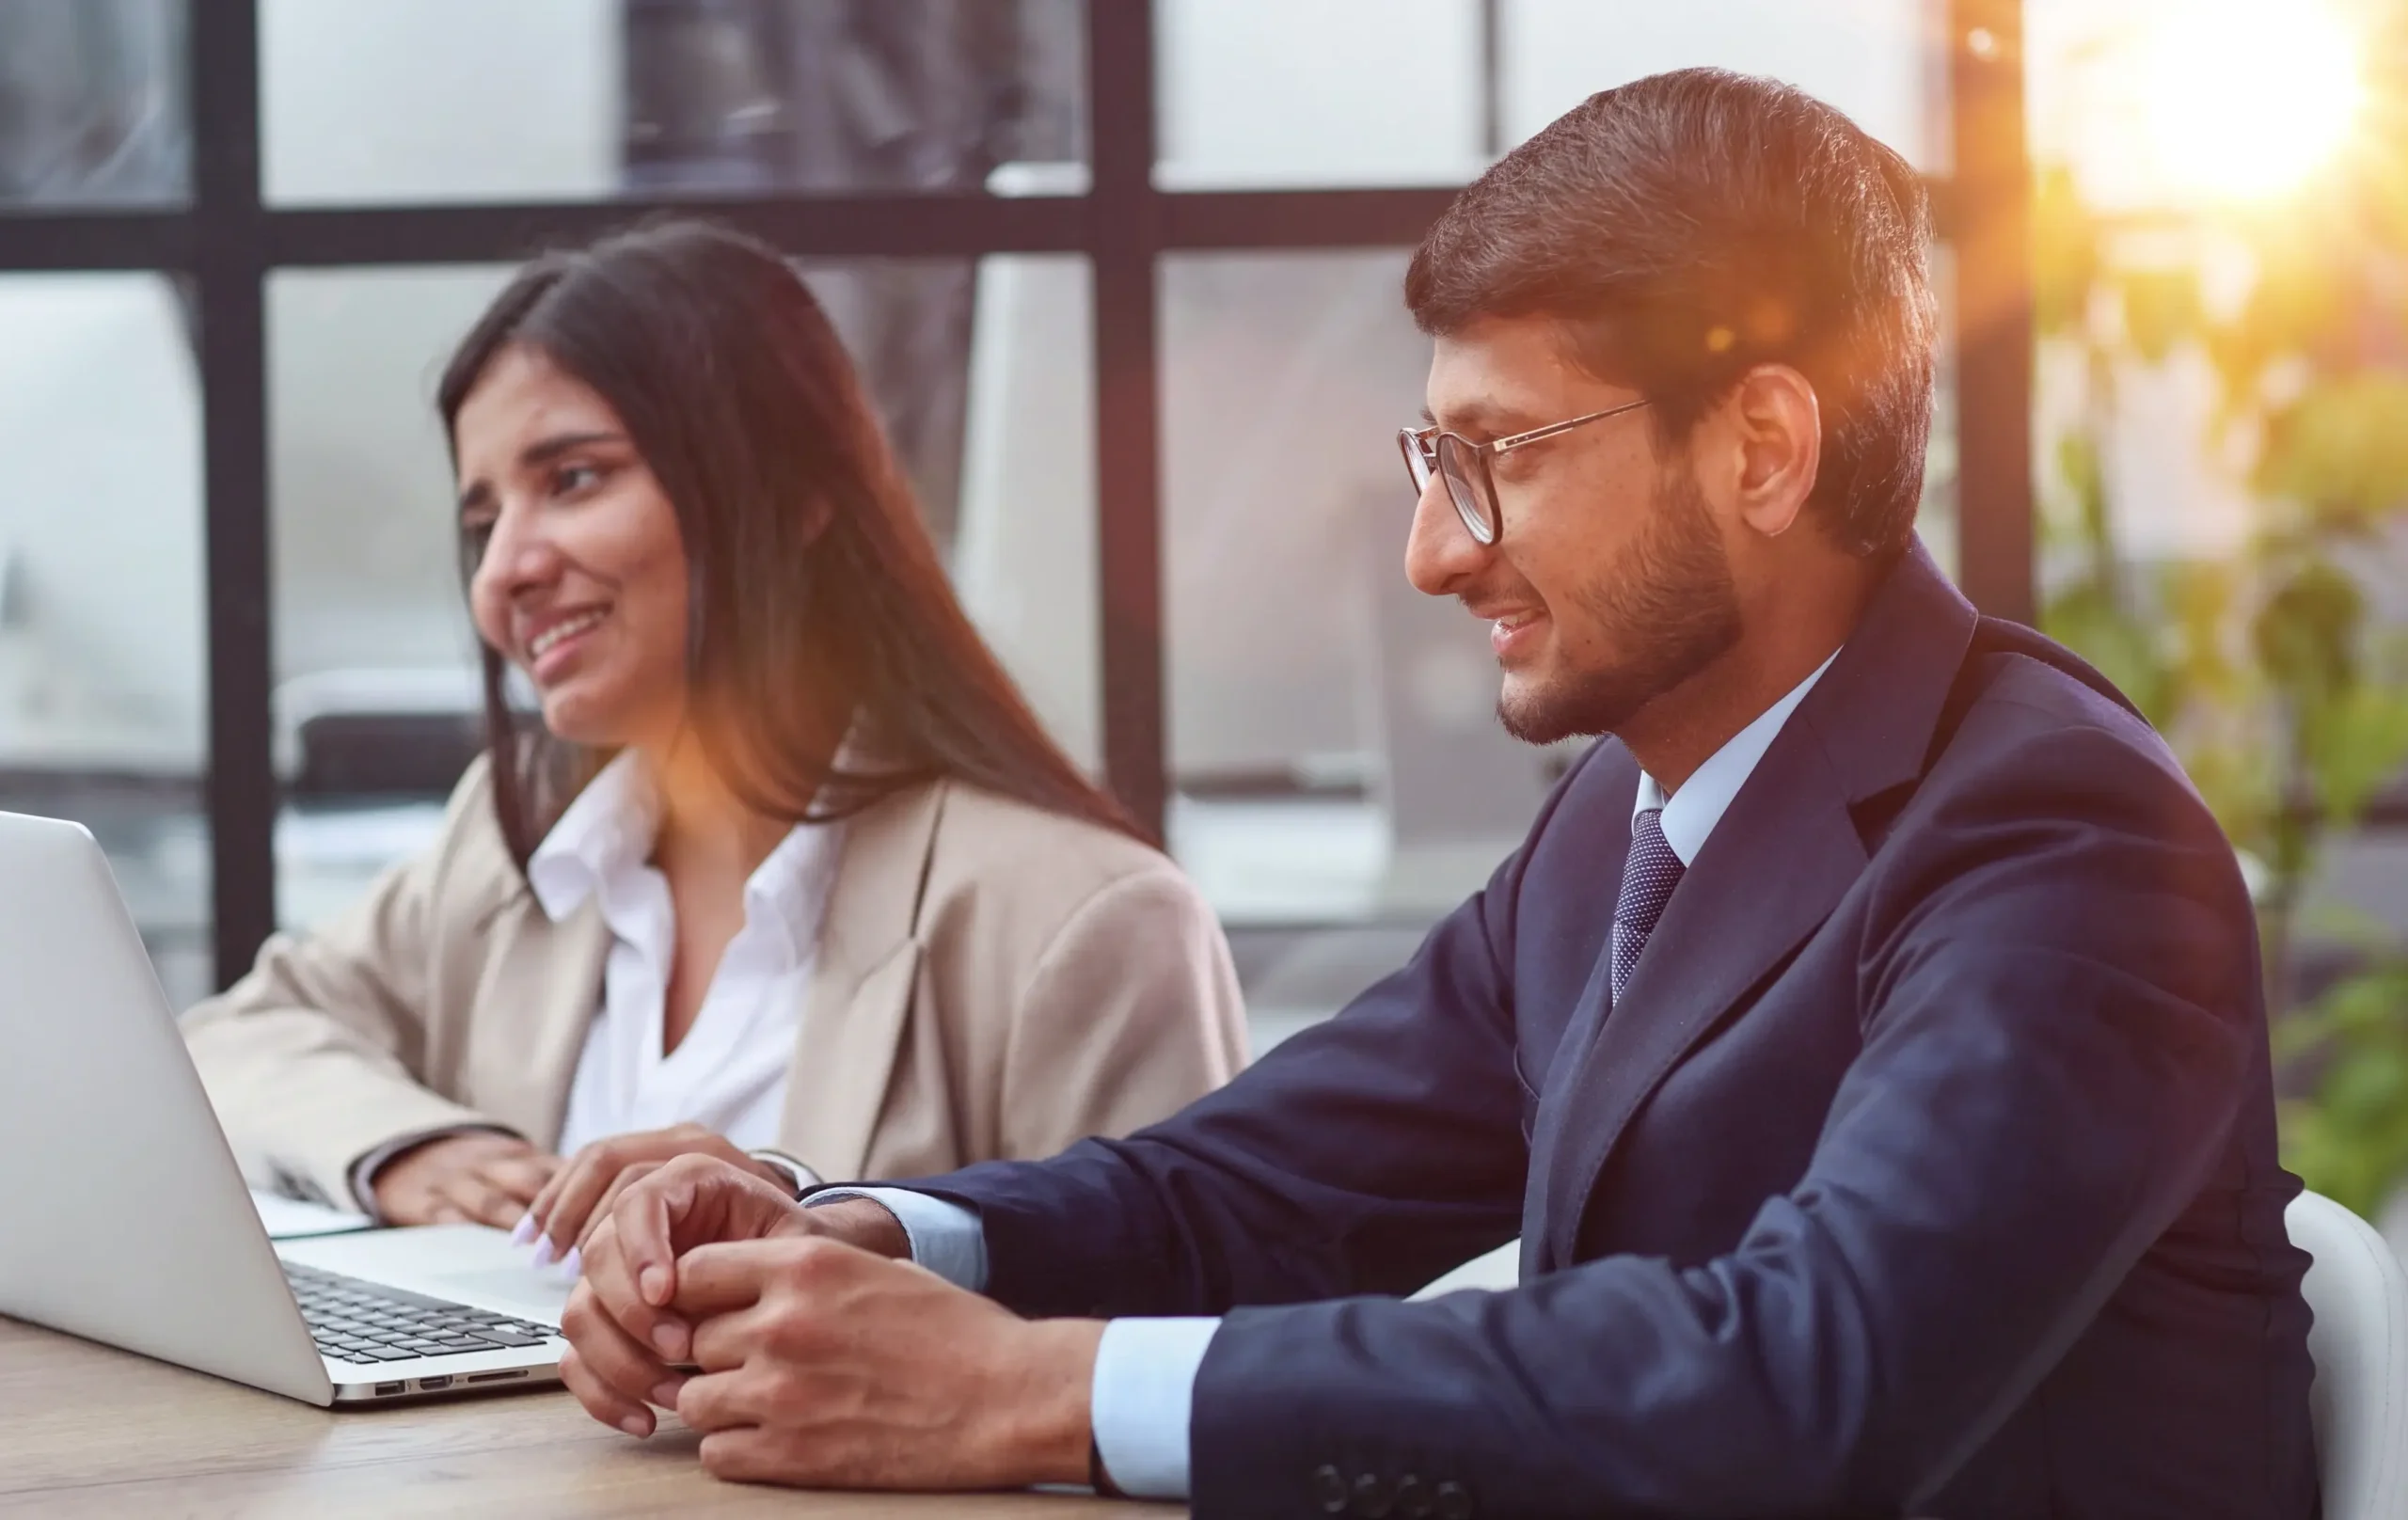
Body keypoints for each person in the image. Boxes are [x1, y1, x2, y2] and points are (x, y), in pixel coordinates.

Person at [555, 71, 2319, 1519]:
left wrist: (1045, 1393)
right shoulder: (1616, 835)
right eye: (1431, 463)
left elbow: (1808, 1381)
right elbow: (1246, 1191)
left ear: (1764, 449)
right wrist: (854, 1234)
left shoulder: (2061, 838)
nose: (1426, 556)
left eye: (1494, 462)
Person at [183, 222, 1247, 1263]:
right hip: (496, 1447)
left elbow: (1154, 1331)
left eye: (574, 478)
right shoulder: (519, 836)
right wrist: (411, 1149)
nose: (504, 570)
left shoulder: (1086, 923)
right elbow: (231, 1038)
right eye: (482, 521)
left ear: (792, 493)